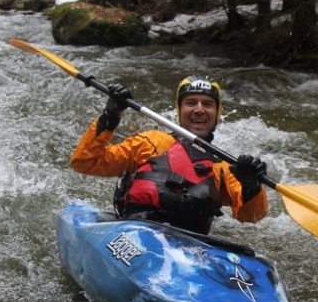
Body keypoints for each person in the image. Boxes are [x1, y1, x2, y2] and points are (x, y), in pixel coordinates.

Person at [70, 75, 269, 235]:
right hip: (134, 231)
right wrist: (110, 116)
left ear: (216, 114)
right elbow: (85, 162)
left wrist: (252, 185)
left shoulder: (225, 168)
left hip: (189, 244)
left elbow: (251, 216)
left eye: (207, 104)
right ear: (180, 110)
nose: (199, 110)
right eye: (191, 102)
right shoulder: (150, 142)